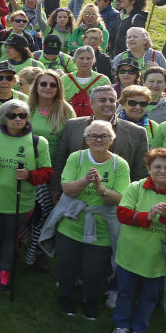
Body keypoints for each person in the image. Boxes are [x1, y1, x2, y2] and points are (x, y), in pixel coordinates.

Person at [42, 120, 129, 320]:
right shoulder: (77, 158)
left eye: (104, 136)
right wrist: (85, 181)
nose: (98, 139)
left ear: (111, 139)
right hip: (72, 223)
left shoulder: (119, 164)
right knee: (68, 264)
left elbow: (119, 199)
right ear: (87, 139)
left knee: (94, 269)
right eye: (93, 136)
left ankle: (90, 300)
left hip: (102, 227)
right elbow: (67, 189)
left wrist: (101, 189)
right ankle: (66, 297)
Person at [0, 101, 52, 289]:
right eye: (13, 115)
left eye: (22, 115)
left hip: (21, 202)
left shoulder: (38, 142)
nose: (18, 119)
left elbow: (47, 172)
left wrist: (30, 175)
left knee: (11, 237)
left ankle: (5, 271)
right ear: (3, 118)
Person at [111, 148, 166, 333]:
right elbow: (122, 214)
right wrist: (148, 216)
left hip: (157, 259)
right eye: (157, 166)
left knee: (149, 296)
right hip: (131, 254)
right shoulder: (136, 187)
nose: (162, 171)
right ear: (149, 168)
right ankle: (121, 326)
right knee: (125, 292)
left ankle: (139, 329)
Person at [50, 85, 150, 192]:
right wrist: (55, 189)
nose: (108, 104)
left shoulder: (137, 132)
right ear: (91, 104)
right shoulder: (73, 126)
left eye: (112, 100)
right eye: (103, 100)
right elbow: (60, 161)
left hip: (115, 197)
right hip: (76, 194)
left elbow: (140, 171)